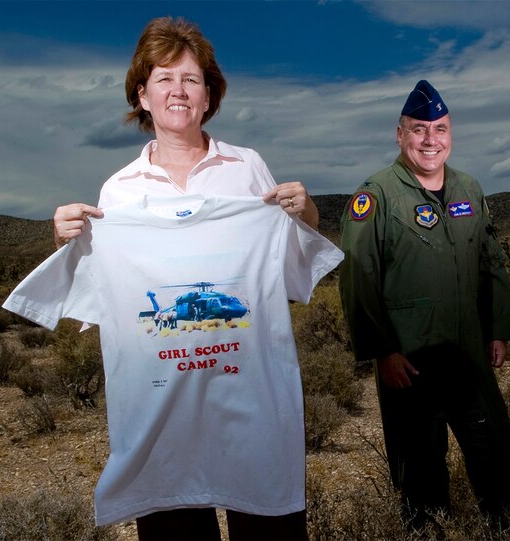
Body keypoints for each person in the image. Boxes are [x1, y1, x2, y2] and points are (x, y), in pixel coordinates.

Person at [37, 17, 337, 541]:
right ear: (143, 95)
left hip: (250, 407)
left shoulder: (247, 167)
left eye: (192, 79)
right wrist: (69, 240)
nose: (179, 90)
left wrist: (306, 212)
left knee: (267, 523)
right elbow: (106, 291)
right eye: (164, 78)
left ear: (208, 96)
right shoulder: (119, 192)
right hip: (162, 422)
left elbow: (292, 265)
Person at [338, 80, 510, 529]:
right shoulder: (377, 196)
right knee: (420, 472)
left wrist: (498, 328)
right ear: (400, 134)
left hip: (469, 352)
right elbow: (358, 279)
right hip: (410, 360)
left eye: (439, 129)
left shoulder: (469, 189)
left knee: (498, 456)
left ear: (450, 134)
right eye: (419, 129)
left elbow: (492, 263)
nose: (430, 140)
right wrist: (382, 351)